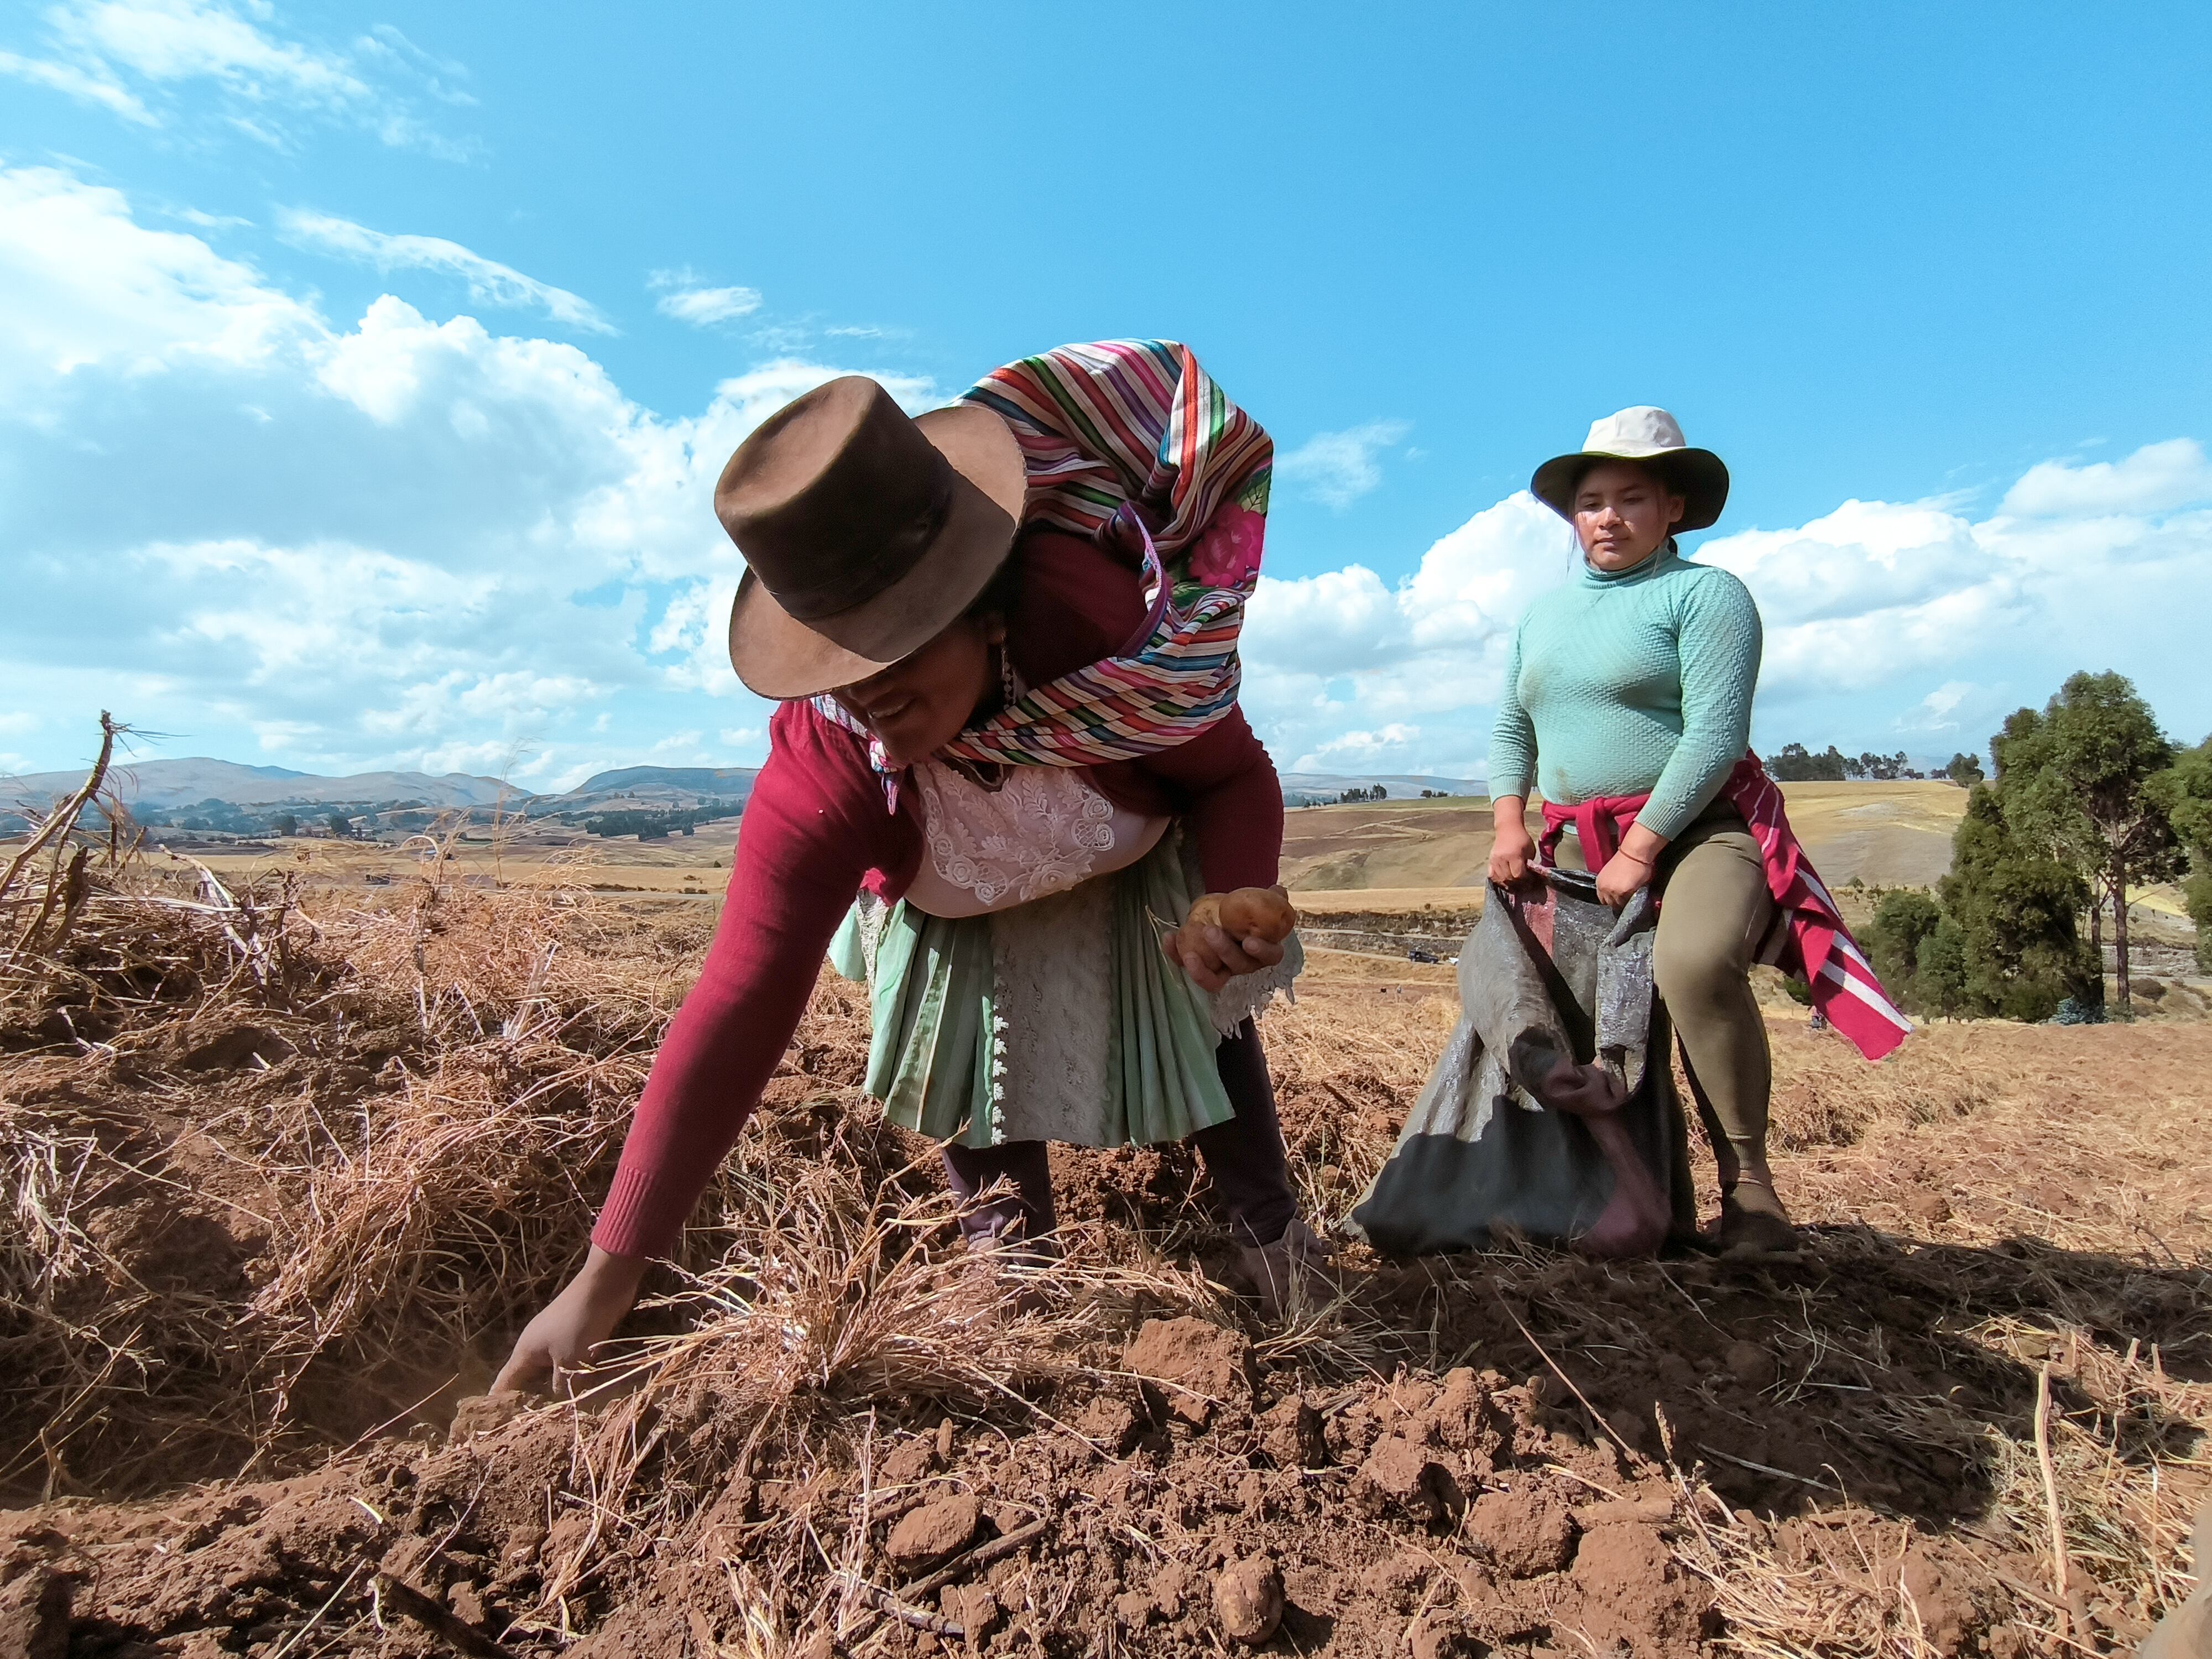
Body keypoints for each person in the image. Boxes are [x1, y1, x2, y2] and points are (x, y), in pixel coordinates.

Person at [496, 343, 1324, 1394]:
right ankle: (1010, 1278)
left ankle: (1270, 1235)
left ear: (988, 604)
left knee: (1204, 1006)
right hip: (955, 905)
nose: (871, 691)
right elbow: (741, 996)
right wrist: (603, 1282)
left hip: (1124, 853)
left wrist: (1235, 894)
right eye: (842, 660)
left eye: (904, 640)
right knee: (957, 1026)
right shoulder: (831, 755)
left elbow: (1232, 771)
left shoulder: (1094, 626)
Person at [1485, 408, 1909, 1259]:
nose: (1608, 517)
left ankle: (1750, 1193)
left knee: (1692, 964)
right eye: (1591, 502)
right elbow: (1511, 727)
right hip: (1576, 845)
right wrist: (1508, 824)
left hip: (1701, 831)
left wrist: (1642, 847)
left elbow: (1715, 734)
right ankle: (1632, 1198)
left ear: (1673, 507)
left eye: (1632, 498)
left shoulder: (1706, 595)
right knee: (1580, 1017)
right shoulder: (1541, 616)